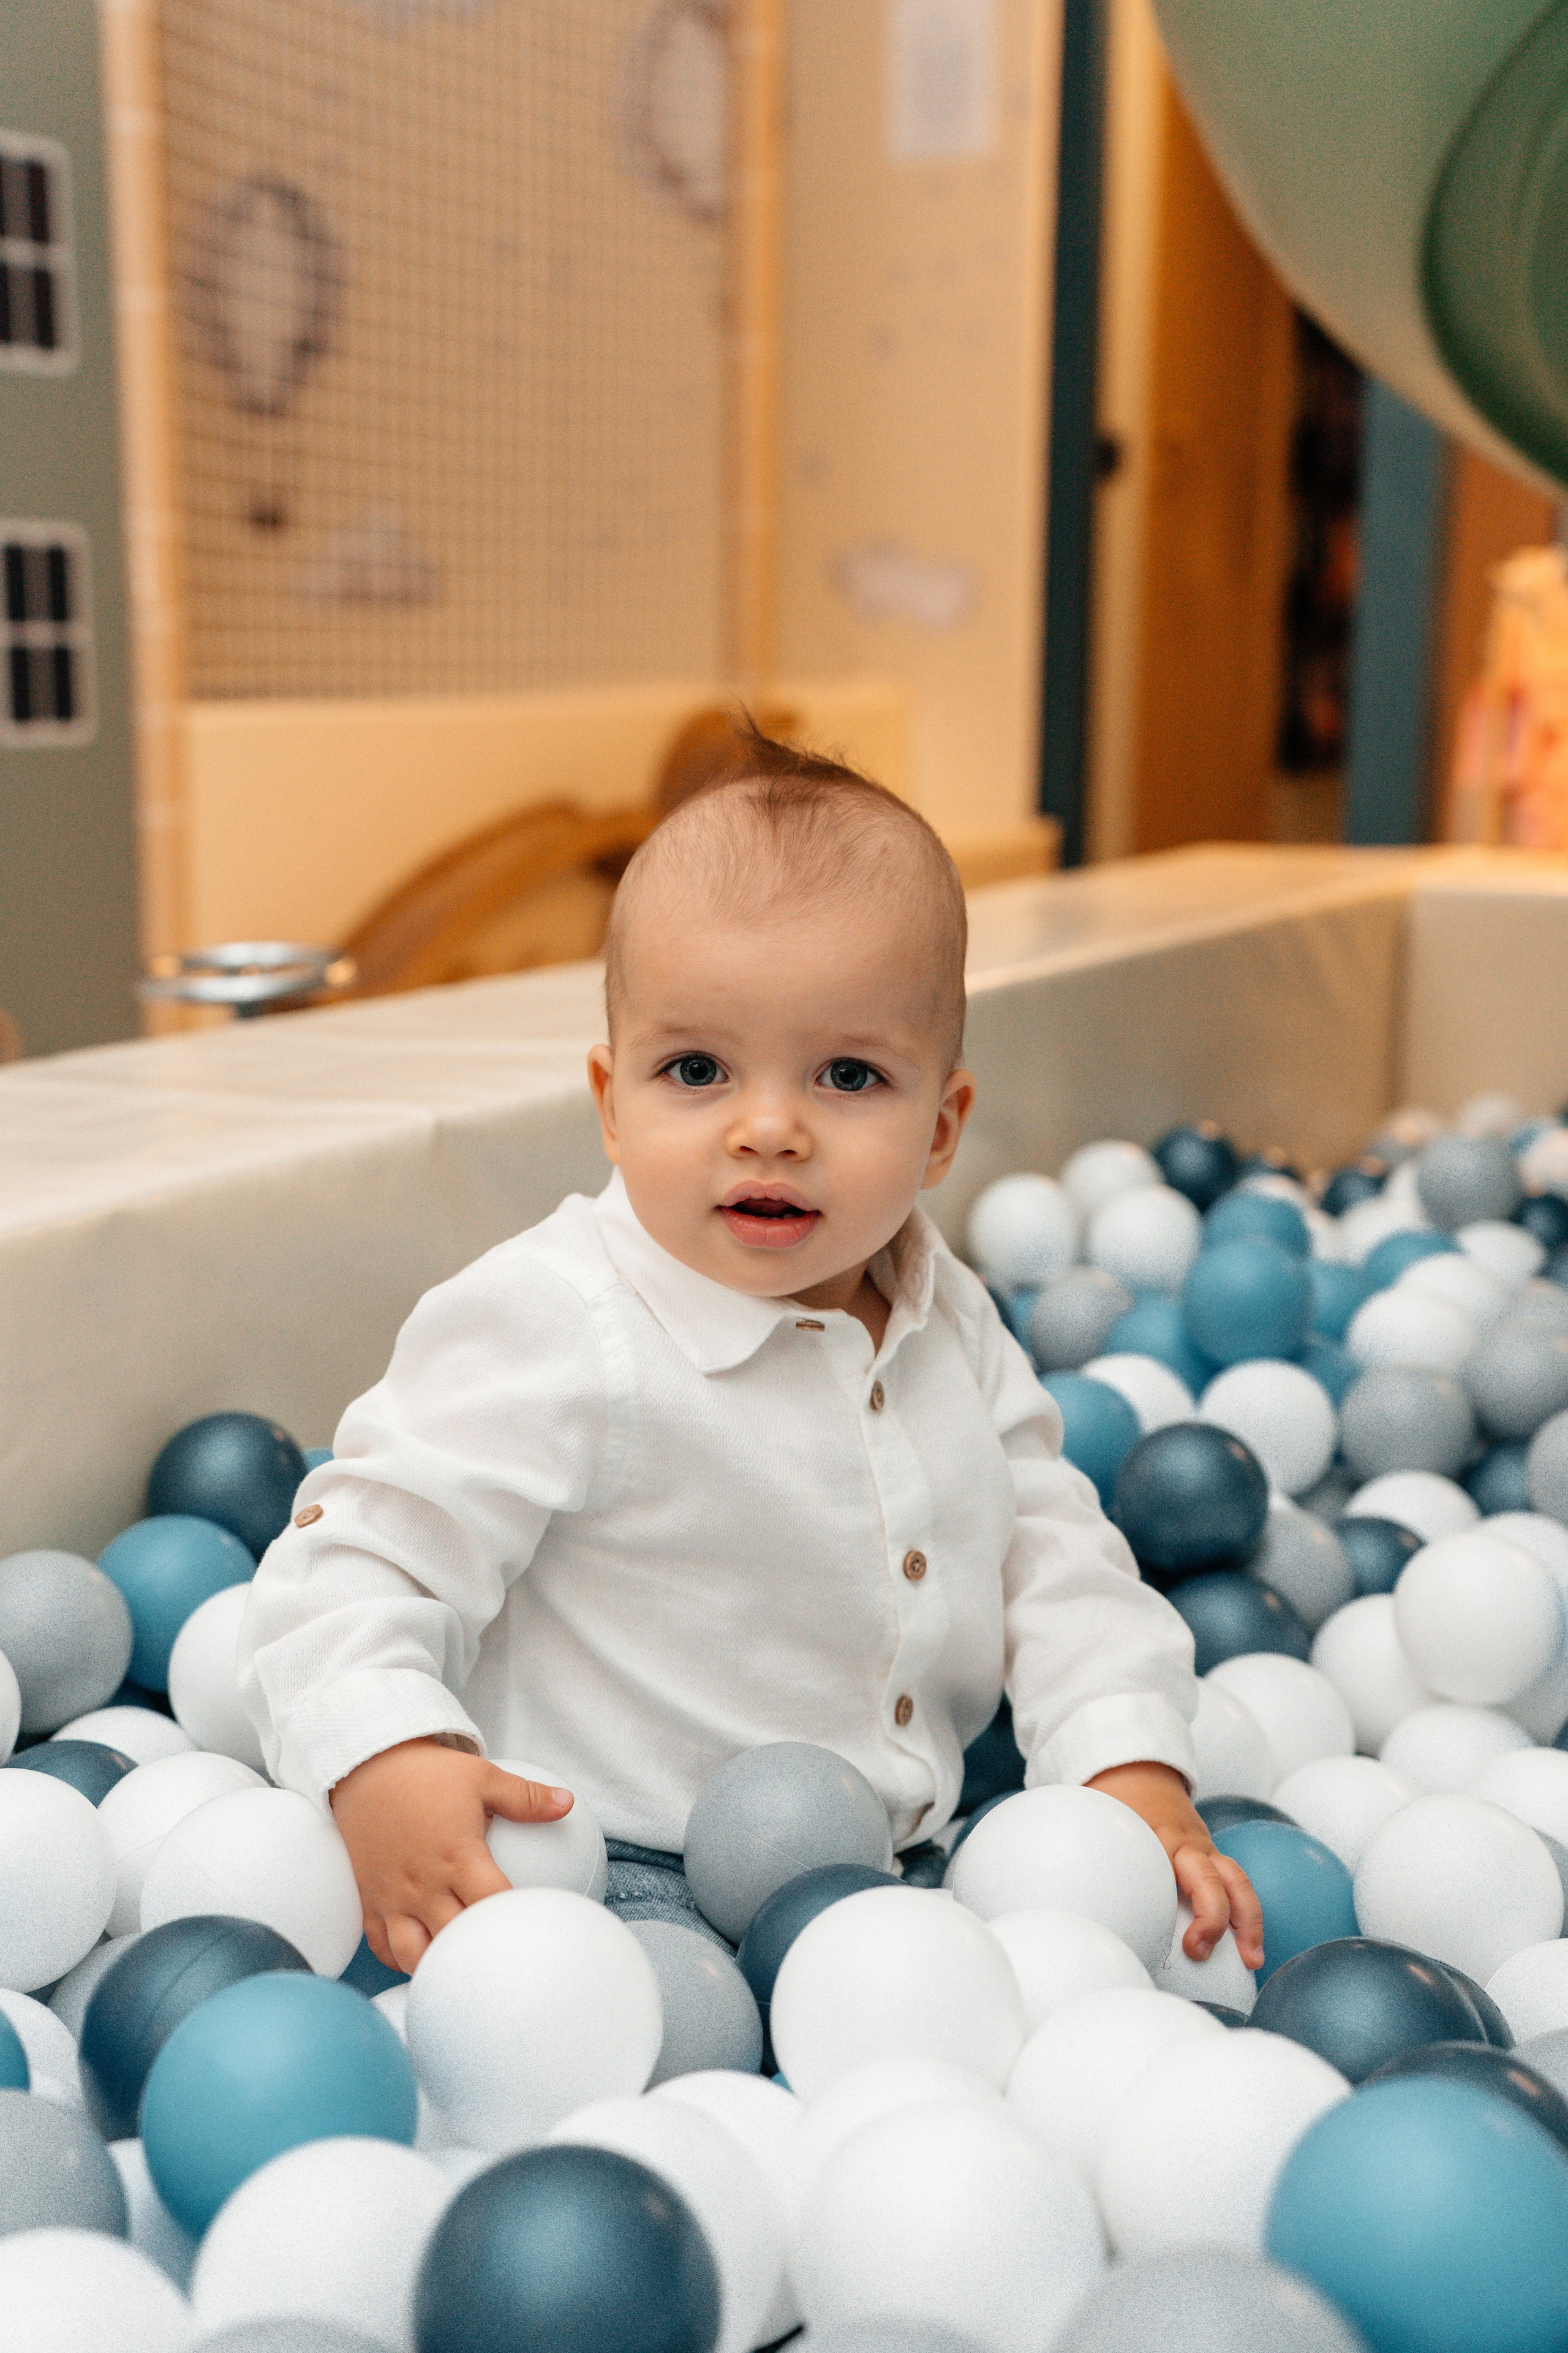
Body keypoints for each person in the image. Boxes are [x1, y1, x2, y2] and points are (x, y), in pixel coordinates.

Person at [238, 723, 1262, 1977]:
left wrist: (1124, 1761)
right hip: (606, 1864)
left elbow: (1047, 1552)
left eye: (847, 1075)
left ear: (942, 1128)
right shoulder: (558, 1320)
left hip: (908, 1855)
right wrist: (388, 1752)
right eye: (697, 1069)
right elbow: (356, 1557)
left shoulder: (946, 1312)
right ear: (611, 1104)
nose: (767, 1127)